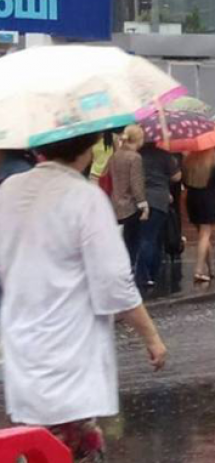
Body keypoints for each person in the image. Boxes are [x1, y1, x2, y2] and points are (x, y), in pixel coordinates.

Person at [0, 133, 167, 463]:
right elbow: (114, 283)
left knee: (36, 444)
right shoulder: (85, 198)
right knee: (71, 447)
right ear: (88, 149)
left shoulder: (9, 191)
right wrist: (152, 337)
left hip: (23, 349)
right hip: (70, 352)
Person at [135, 142, 181, 293]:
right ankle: (151, 272)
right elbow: (176, 177)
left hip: (140, 199)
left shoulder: (137, 155)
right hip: (160, 199)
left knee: (145, 236)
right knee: (155, 238)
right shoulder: (164, 155)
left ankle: (144, 273)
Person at [108, 125, 149, 266]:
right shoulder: (135, 157)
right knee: (131, 244)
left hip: (115, 204)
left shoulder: (114, 156)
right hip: (130, 207)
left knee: (119, 243)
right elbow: (136, 183)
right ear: (139, 139)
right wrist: (143, 205)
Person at [183, 149, 215, 284]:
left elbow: (184, 182)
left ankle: (211, 268)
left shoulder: (188, 161)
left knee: (203, 235)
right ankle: (198, 270)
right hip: (207, 198)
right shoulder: (213, 162)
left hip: (192, 197)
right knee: (205, 235)